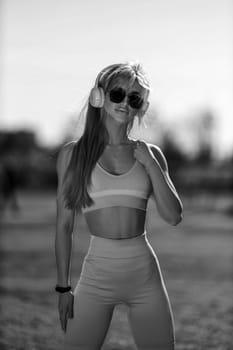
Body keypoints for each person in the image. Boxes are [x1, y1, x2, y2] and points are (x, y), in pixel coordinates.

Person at [55, 62, 183, 350]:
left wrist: (150, 164)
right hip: (97, 273)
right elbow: (64, 226)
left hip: (144, 273)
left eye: (134, 98)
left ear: (141, 107)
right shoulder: (73, 155)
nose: (125, 102)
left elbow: (174, 216)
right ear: (100, 96)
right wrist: (63, 287)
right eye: (118, 93)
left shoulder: (151, 154)